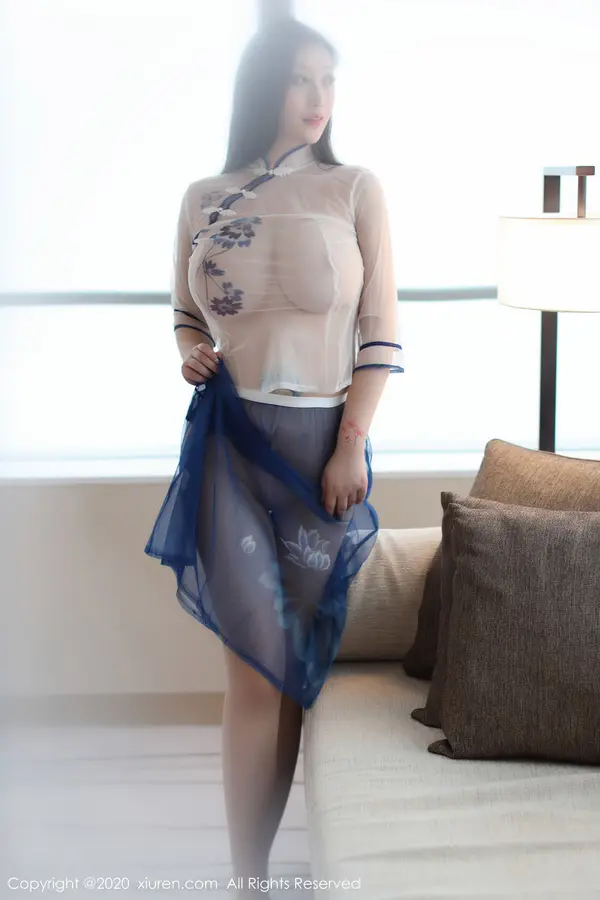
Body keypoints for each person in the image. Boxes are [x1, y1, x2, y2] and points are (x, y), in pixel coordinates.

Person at [145, 16, 404, 900]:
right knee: (252, 667)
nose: (319, 97)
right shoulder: (203, 197)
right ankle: (246, 879)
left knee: (285, 671)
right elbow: (186, 313)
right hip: (228, 441)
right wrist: (191, 351)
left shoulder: (354, 190)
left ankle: (257, 870)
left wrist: (351, 445)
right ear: (264, 86)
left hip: (320, 448)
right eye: (301, 79)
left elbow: (381, 336)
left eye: (328, 80)